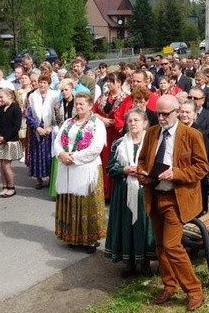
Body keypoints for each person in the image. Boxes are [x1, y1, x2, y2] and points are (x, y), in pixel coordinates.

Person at [136, 94, 209, 311]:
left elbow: (202, 168)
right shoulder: (151, 134)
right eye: (158, 113)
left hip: (176, 199)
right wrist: (141, 173)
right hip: (154, 194)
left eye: (165, 114)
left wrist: (175, 173)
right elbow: (142, 160)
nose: (161, 117)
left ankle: (194, 290)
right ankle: (169, 285)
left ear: (177, 112)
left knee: (171, 245)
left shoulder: (192, 135)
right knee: (160, 245)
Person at [104, 109, 156, 277]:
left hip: (145, 191)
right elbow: (110, 169)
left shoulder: (152, 142)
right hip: (123, 192)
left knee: (144, 226)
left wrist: (144, 171)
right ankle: (129, 263)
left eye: (137, 120)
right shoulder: (118, 144)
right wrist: (124, 169)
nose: (133, 123)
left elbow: (159, 165)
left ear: (145, 123)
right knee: (126, 225)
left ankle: (146, 262)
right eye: (130, 121)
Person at [54, 91, 106, 253]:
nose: (78, 106)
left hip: (86, 168)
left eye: (82, 103)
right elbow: (57, 140)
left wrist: (74, 157)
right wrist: (61, 154)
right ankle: (72, 237)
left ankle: (89, 240)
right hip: (68, 167)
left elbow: (96, 147)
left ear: (90, 106)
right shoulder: (68, 122)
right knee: (70, 200)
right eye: (76, 103)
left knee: (85, 203)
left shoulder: (97, 123)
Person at [93, 71, 128, 201]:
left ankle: (113, 193)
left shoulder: (126, 97)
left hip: (116, 133)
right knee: (102, 161)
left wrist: (112, 122)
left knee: (114, 160)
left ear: (119, 83)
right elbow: (94, 111)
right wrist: (102, 119)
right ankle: (103, 191)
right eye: (108, 81)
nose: (108, 84)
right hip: (102, 133)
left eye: (111, 81)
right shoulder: (103, 97)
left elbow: (125, 115)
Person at [26, 74, 57, 189]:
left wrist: (51, 127)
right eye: (41, 82)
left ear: (49, 84)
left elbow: (58, 113)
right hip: (37, 129)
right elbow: (28, 115)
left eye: (45, 82)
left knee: (49, 154)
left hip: (50, 129)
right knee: (37, 154)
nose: (42, 84)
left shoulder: (55, 95)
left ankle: (50, 178)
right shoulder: (32, 96)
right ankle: (39, 179)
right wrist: (37, 127)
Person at [0, 88, 23, 198]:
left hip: (10, 141)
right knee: (1, 164)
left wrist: (5, 138)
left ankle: (12, 187)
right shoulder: (2, 108)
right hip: (0, 140)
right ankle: (5, 186)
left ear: (10, 96)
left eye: (1, 97)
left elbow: (16, 126)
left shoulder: (16, 108)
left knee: (6, 165)